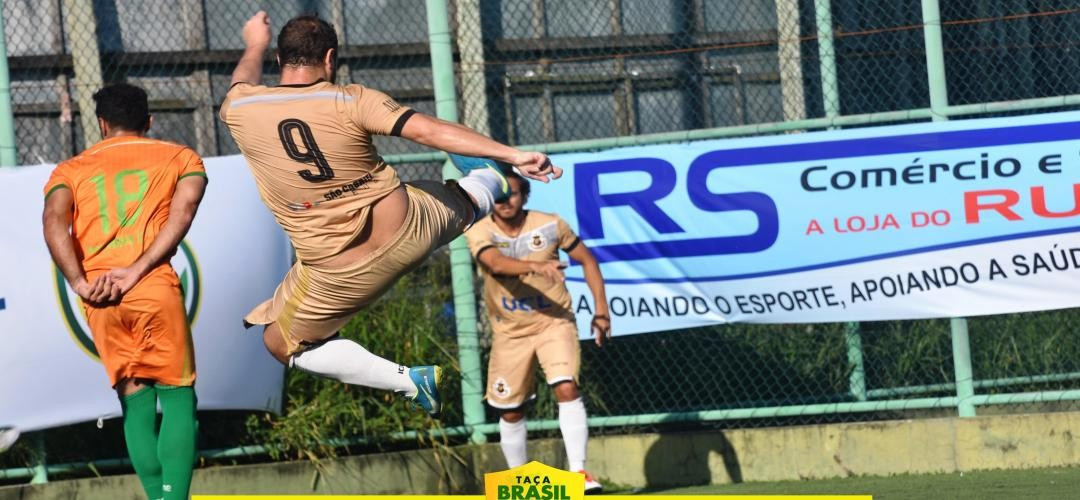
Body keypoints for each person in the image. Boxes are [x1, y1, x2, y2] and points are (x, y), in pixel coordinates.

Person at [219, 12, 561, 417]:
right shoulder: (351, 99)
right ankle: (488, 184)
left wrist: (254, 43)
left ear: (279, 59)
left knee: (281, 343)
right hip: (410, 227)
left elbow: (240, 80)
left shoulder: (239, 107)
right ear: (330, 59)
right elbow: (427, 129)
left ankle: (406, 380)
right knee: (463, 203)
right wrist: (513, 154)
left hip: (337, 269)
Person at [42, 83, 206, 500]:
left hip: (100, 297)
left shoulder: (70, 170)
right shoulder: (181, 158)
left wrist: (79, 282)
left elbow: (52, 221)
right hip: (151, 287)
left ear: (101, 124)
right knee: (177, 396)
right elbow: (184, 210)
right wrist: (137, 269)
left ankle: (158, 496)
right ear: (148, 121)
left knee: (134, 398)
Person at [464, 169, 610, 493]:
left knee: (566, 387)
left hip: (553, 322)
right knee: (512, 410)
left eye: (512, 194)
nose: (504, 202)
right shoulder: (479, 229)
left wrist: (601, 310)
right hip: (509, 332)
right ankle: (520, 482)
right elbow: (496, 264)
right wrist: (536, 266)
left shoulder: (550, 223)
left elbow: (587, 259)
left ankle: (579, 473)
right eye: (498, 196)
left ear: (525, 196)